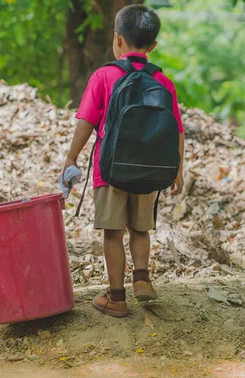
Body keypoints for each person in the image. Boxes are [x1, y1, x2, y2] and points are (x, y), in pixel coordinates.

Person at [62, 5, 184, 317]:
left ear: (117, 39)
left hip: (111, 170)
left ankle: (116, 297)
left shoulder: (104, 75)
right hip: (150, 170)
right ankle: (142, 278)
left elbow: (86, 122)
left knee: (112, 233)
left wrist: (71, 157)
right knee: (140, 229)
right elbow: (176, 131)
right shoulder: (164, 82)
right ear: (152, 46)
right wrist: (177, 170)